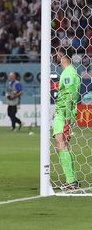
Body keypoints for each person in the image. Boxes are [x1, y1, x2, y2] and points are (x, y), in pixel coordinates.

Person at [53, 47, 80, 190]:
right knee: (62, 145)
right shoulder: (68, 72)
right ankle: (72, 179)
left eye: (56, 54)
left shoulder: (69, 72)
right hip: (63, 113)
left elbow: (70, 97)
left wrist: (67, 122)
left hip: (64, 113)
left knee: (61, 144)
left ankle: (71, 181)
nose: (55, 57)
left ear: (61, 55)